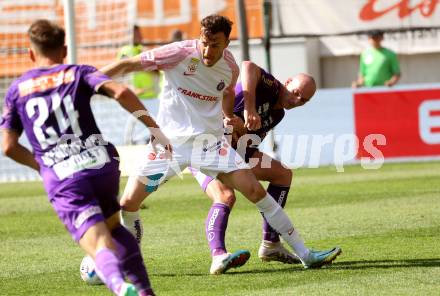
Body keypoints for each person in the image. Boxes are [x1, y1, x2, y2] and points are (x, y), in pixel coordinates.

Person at [100, 14, 341, 276]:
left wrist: (228, 116)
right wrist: (88, 79)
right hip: (170, 145)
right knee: (129, 203)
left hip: (210, 144)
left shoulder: (229, 66)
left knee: (256, 193)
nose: (207, 50)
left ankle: (304, 254)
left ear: (226, 43)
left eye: (215, 45)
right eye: (204, 42)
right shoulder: (178, 53)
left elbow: (227, 92)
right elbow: (129, 64)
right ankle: (126, 258)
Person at [0, 19, 171, 296]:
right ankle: (144, 292)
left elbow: (8, 146)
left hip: (64, 175)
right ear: (64, 50)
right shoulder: (78, 72)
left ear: (31, 54)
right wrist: (154, 129)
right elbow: (122, 91)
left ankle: (117, 284)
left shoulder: (17, 90)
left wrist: (42, 166)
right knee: (115, 227)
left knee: (99, 241)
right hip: (101, 164)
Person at [189, 61, 316, 270]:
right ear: (288, 82)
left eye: (304, 100)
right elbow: (248, 66)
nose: (297, 100)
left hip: (235, 154)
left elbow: (245, 142)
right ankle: (218, 255)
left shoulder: (278, 114)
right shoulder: (270, 86)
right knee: (226, 196)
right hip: (203, 148)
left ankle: (271, 243)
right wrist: (248, 109)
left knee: (283, 174)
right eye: (296, 92)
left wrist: (243, 130)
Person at [117, 25, 161, 99]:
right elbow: (123, 70)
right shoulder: (126, 50)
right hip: (136, 96)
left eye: (139, 34)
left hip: (150, 94)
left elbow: (156, 70)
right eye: (136, 34)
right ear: (130, 36)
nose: (139, 36)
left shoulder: (142, 49)